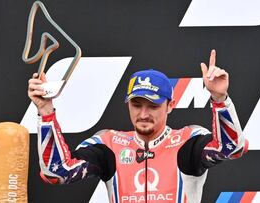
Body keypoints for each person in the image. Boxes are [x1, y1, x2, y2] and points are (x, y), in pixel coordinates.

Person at [28, 50, 248, 203]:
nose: (143, 114)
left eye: (152, 106)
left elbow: (231, 149)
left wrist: (220, 99)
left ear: (170, 105)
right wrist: (46, 111)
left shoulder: (188, 141)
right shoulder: (109, 144)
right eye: (136, 104)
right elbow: (57, 172)